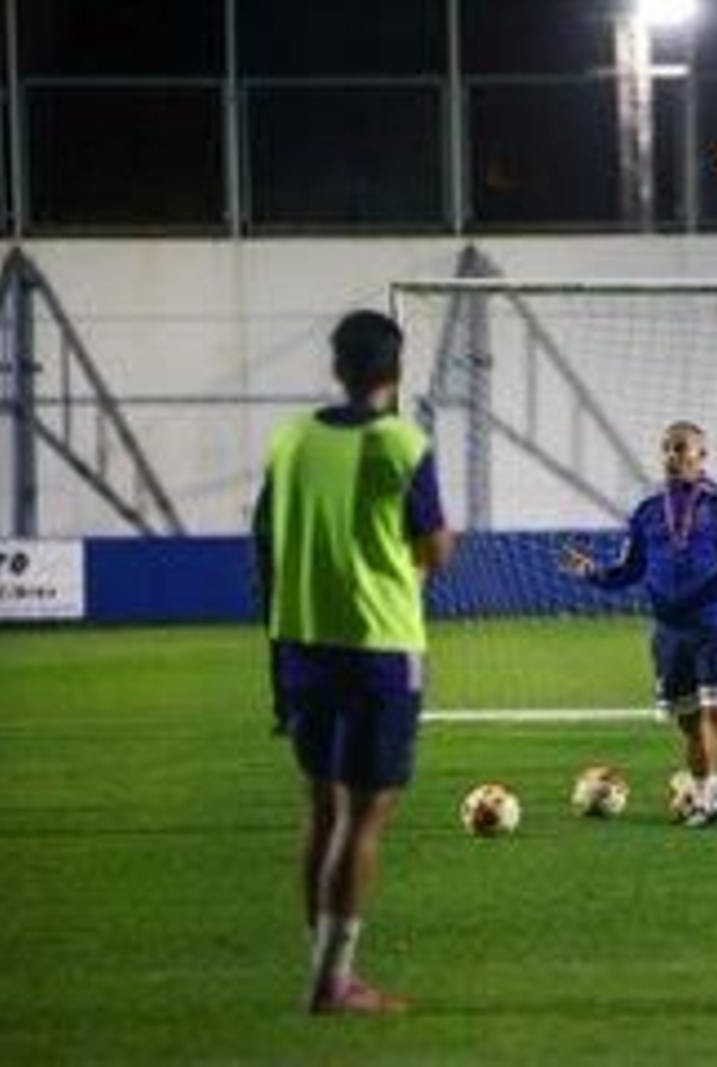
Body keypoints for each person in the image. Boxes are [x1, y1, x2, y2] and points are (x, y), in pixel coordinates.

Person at [254, 309, 454, 1014]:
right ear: (395, 372)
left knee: (319, 805)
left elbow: (264, 540)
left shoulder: (291, 439)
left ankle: (324, 968)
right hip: (379, 648)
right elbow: (434, 547)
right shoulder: (401, 442)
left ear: (337, 367)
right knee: (363, 815)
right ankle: (334, 981)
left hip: (301, 642)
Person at [561, 421, 717, 829]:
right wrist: (592, 572)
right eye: (667, 448)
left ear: (701, 456)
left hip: (714, 622)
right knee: (689, 720)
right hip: (669, 629)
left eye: (681, 448)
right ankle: (703, 801)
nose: (673, 455)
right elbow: (630, 568)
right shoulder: (648, 509)